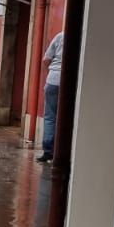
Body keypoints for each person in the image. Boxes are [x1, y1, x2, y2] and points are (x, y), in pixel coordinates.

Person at [38, 31, 64, 163]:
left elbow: (46, 59)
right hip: (70, 84)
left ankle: (48, 151)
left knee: (49, 117)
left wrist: (52, 71)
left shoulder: (60, 36)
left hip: (53, 81)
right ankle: (62, 151)